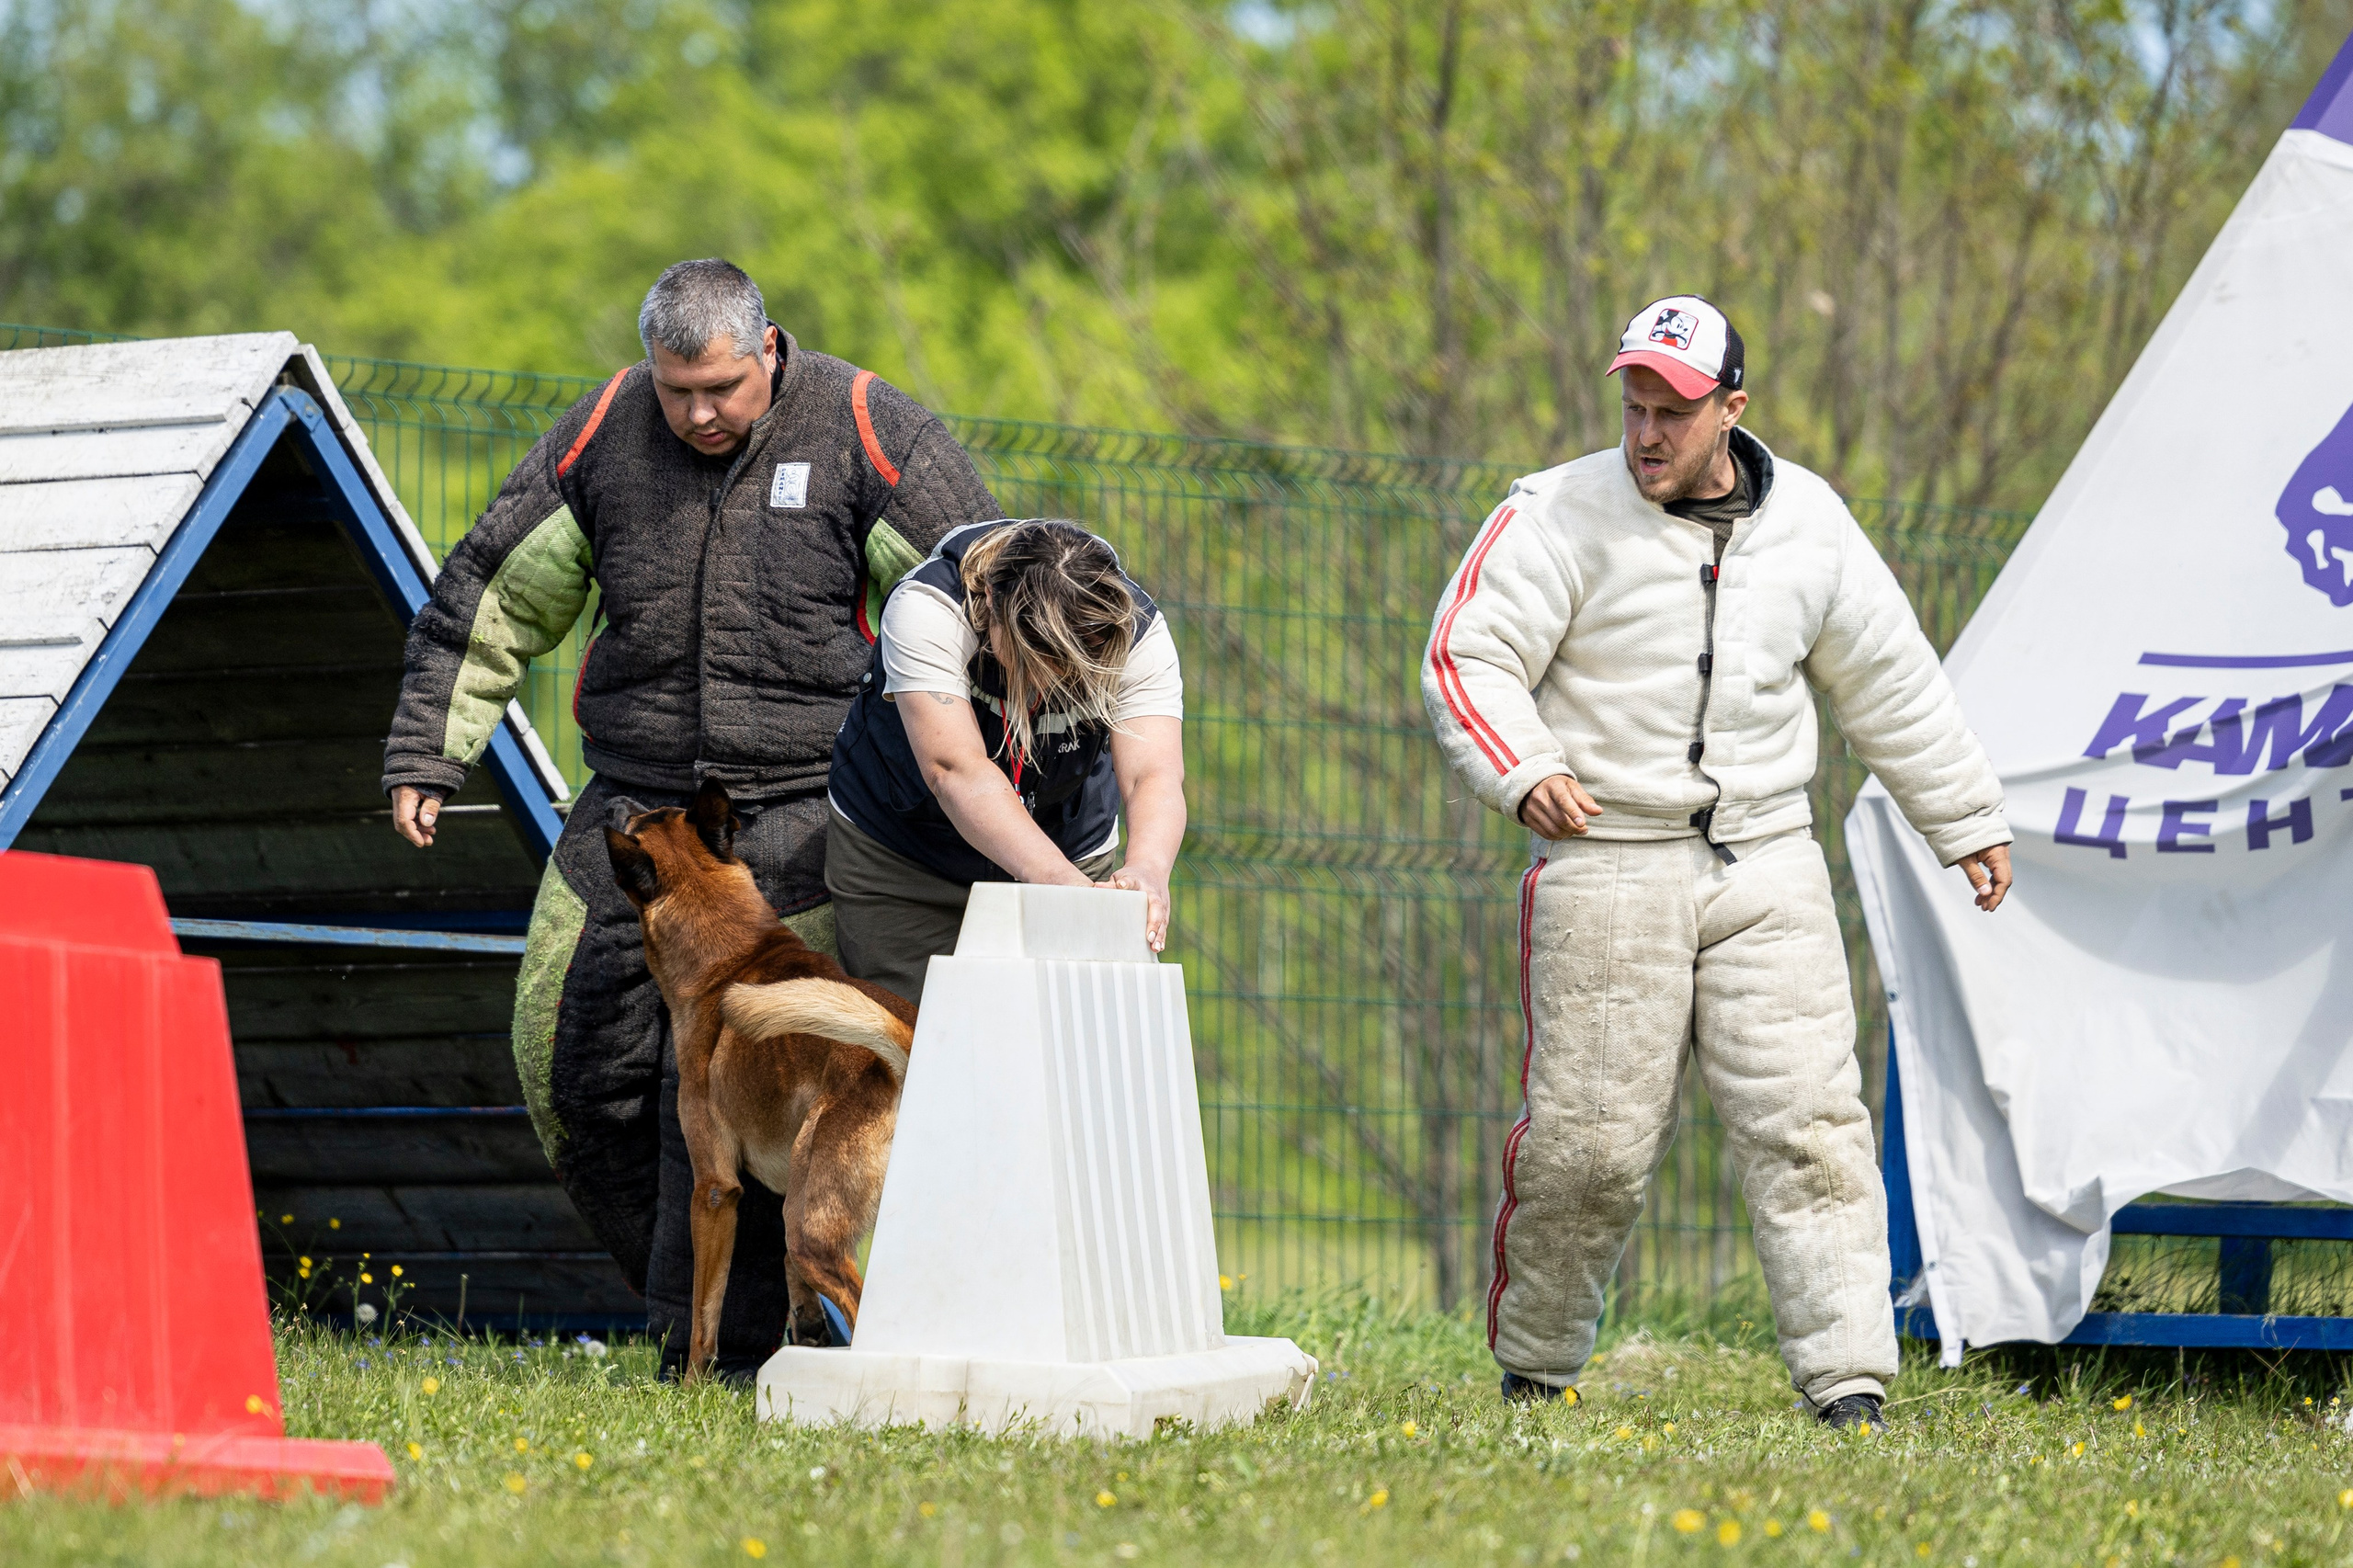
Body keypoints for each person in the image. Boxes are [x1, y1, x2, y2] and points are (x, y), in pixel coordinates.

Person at [381, 258, 1004, 1379]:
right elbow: (495, 587)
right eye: (677, 391)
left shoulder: (866, 427)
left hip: (810, 817)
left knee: (779, 1088)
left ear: (768, 350)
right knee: (570, 1068)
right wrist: (430, 745)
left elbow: (982, 590)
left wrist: (1002, 786)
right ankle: (690, 1303)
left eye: (719, 387)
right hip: (635, 823)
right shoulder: (605, 432)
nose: (698, 414)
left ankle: (734, 1351)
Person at [1422, 295, 2013, 1430]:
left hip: (1767, 859)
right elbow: (1465, 657)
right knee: (1590, 1147)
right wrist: (1523, 766)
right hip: (1608, 857)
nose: (1645, 433)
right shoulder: (1552, 514)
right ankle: (1537, 1365)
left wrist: (1967, 818)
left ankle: (1848, 1382)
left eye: (1672, 414)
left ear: (1731, 411)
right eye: (1634, 407)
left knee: (1812, 1126)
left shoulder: (1814, 526)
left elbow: (1890, 680)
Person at [825, 518, 1186, 1003]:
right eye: (1032, 655)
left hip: (1071, 844)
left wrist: (1147, 870)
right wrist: (1061, 884)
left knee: (1075, 1036)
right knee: (915, 1046)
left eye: (1072, 665)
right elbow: (957, 769)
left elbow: (1152, 774)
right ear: (992, 602)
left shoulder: (1137, 633)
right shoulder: (928, 608)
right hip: (907, 859)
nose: (1050, 681)